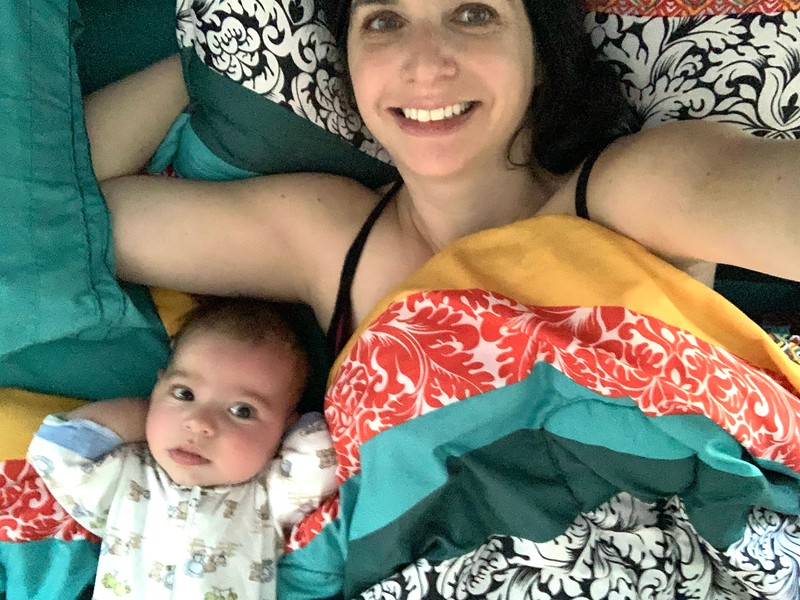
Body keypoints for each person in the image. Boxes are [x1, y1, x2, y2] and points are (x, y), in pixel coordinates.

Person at [81, 0, 800, 596]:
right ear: (348, 64)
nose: (425, 63)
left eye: (474, 14)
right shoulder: (326, 238)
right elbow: (66, 210)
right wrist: (204, 71)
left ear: (540, 50)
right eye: (384, 21)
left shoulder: (634, 189)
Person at [27, 298, 337, 600]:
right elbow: (58, 449)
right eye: (184, 394)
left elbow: (319, 456)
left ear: (284, 428)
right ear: (157, 387)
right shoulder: (126, 476)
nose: (199, 423)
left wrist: (279, 438)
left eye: (242, 411)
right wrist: (152, 415)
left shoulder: (268, 496)